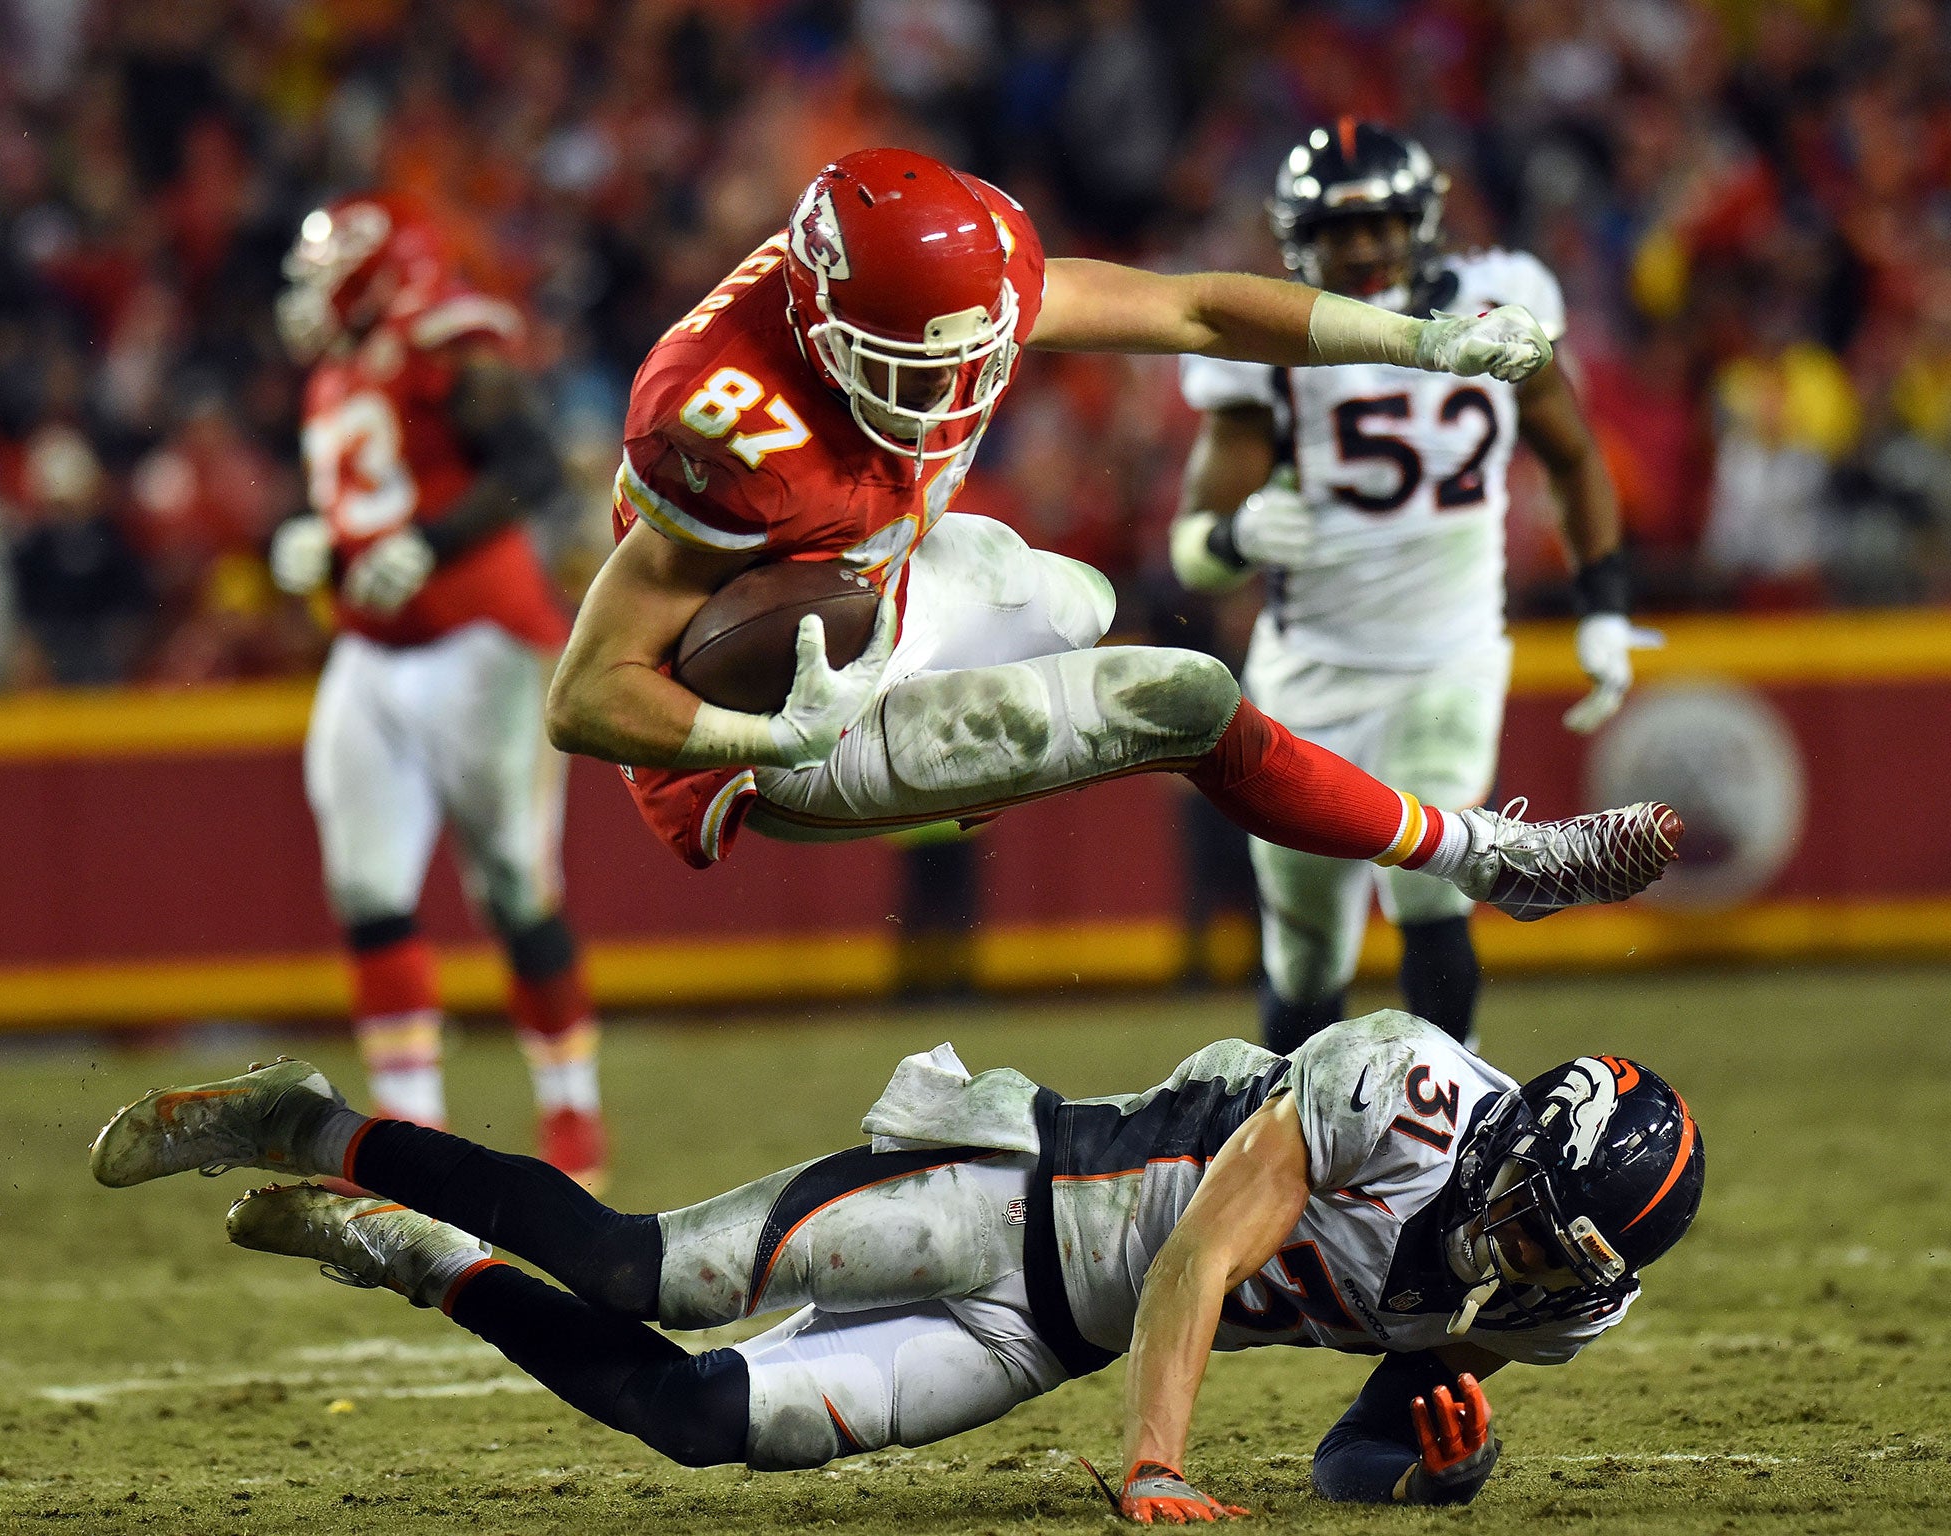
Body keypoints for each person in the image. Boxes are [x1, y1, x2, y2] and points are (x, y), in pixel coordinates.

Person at [543, 146, 1679, 926]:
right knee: (1181, 696)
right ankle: (1490, 857)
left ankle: (971, 776)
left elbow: (1191, 308)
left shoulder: (966, 267)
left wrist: (1420, 341)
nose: (949, 395)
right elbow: (584, 697)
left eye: (969, 358)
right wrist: (762, 741)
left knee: (1063, 593)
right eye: (908, 370)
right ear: (817, 324)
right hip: (770, 718)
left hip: (873, 598)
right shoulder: (726, 418)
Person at [89, 1011, 1704, 1518]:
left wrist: (1447, 1460)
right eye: (1518, 1214)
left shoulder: (1548, 1302)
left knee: (694, 1419)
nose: (1506, 1257)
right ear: (1512, 1145)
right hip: (1019, 1196)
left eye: (1543, 1257)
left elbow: (1353, 1455)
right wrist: (1151, 1461)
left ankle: (397, 1254)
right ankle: (304, 1121)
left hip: (1036, 1343)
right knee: (640, 1264)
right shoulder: (1400, 1083)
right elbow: (1198, 1259)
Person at [1168, 121, 1659, 1056]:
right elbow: (1191, 550)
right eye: (1340, 231)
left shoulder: (1499, 299)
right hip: (1313, 671)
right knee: (1307, 950)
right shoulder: (1267, 336)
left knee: (1435, 882)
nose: (1361, 249)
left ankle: (1448, 1143)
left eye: (1382, 225)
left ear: (1422, 220)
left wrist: (1605, 604)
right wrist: (1235, 537)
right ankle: (1290, 1152)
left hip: (1450, 656)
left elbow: (1572, 453)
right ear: (1297, 236)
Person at [268, 195, 605, 1185]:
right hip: (369, 654)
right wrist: (327, 550)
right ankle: (410, 1141)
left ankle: (571, 1111)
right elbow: (381, 500)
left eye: (319, 276)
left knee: (510, 887)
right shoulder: (335, 374)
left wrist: (428, 543)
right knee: (368, 893)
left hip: (484, 642)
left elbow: (529, 470)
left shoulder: (444, 338)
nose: (303, 298)